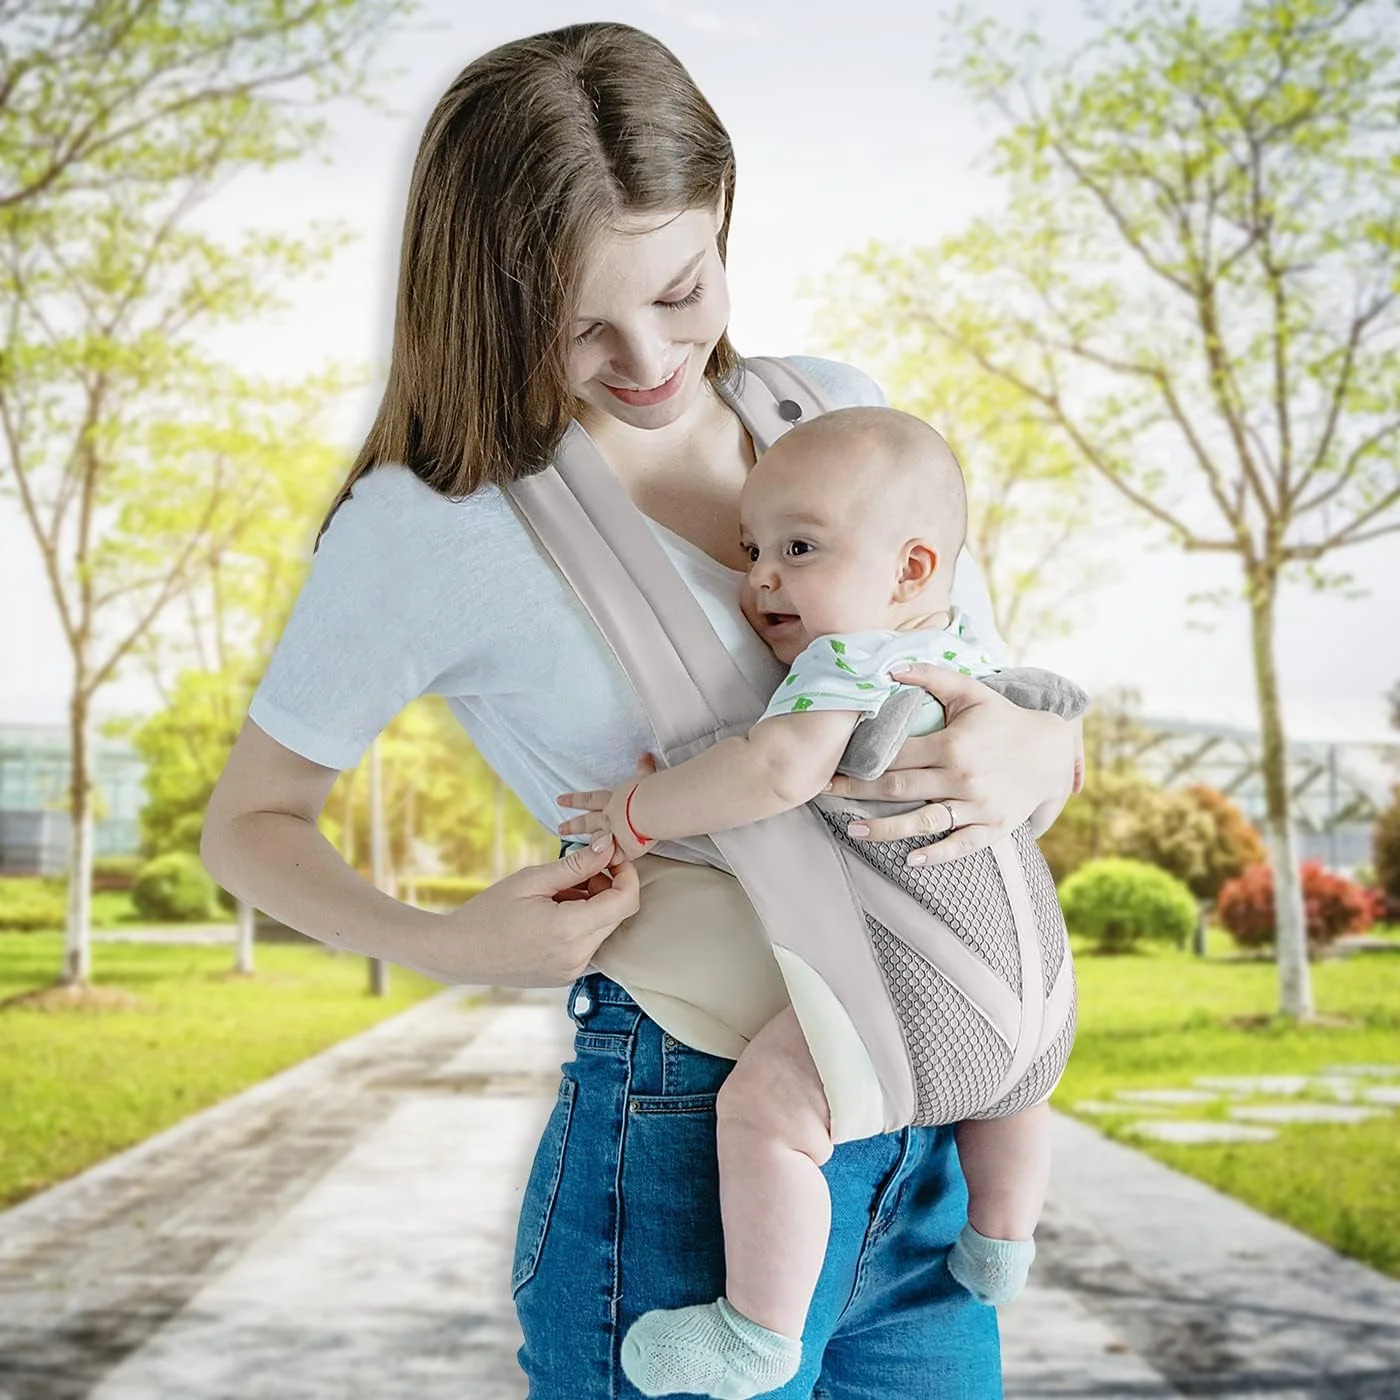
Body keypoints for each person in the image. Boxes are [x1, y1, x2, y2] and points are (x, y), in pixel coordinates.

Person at [200, 22, 1081, 1400]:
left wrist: (1047, 741)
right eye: (580, 322)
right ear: (485, 300)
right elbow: (250, 825)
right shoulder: (432, 523)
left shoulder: (835, 419)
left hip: (929, 1116)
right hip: (689, 1124)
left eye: (684, 288)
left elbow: (954, 688)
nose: (651, 356)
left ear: (726, 214)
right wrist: (449, 943)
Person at [557, 406, 1068, 1398]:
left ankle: (752, 1327)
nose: (760, 578)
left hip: (906, 1006)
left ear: (911, 571)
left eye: (798, 548)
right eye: (752, 550)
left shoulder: (847, 661)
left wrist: (636, 808)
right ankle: (1000, 1239)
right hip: (1034, 997)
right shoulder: (976, 663)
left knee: (765, 1107)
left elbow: (775, 769)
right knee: (1007, 1086)